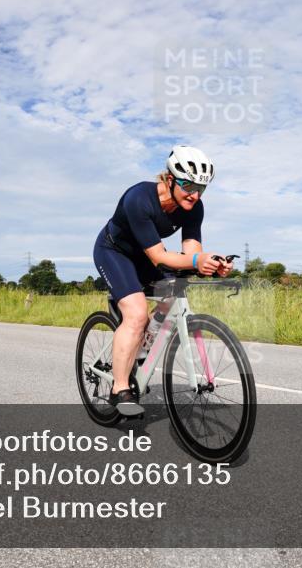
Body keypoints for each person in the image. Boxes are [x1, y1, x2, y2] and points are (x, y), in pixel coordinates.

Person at [93, 145, 233, 416]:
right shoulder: (139, 198)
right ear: (169, 179)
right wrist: (196, 261)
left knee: (172, 295)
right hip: (114, 252)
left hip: (146, 255)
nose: (195, 195)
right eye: (188, 185)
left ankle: (141, 347)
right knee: (136, 313)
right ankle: (119, 389)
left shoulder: (194, 207)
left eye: (201, 188)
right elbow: (159, 256)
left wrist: (212, 264)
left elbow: (191, 252)